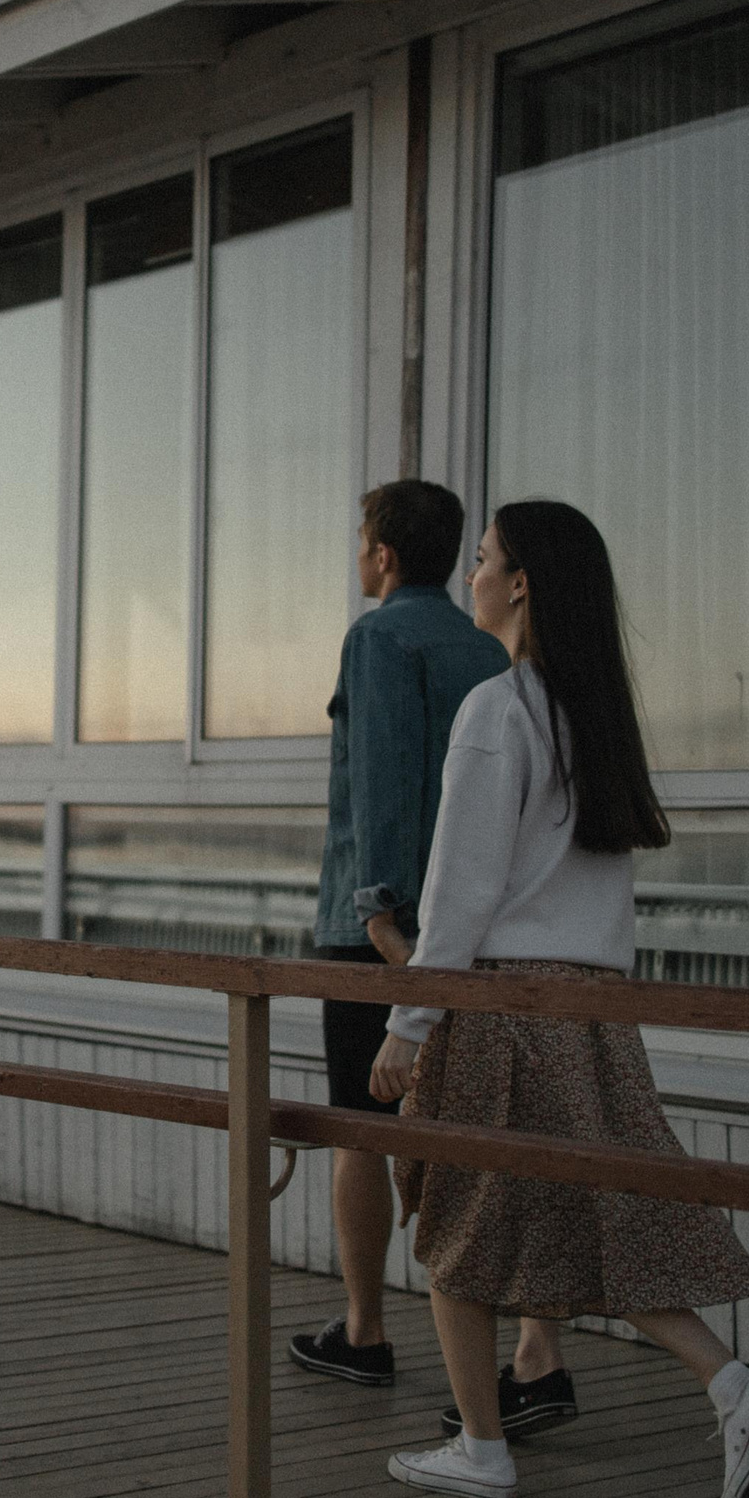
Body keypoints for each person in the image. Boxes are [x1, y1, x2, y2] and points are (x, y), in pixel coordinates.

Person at [366, 499, 749, 1498]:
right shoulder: (590, 714)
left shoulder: (497, 709)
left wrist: (409, 1023)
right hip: (591, 1010)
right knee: (595, 1213)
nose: (471, 576)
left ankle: (482, 1446)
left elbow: (459, 893)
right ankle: (729, 1386)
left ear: (519, 584)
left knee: (456, 1225)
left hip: (504, 1009)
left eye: (483, 561)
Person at [285, 480, 523, 1391]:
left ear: (383, 556)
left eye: (360, 543)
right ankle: (506, 1354)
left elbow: (380, 780)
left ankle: (365, 1330)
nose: (357, 557)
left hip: (379, 933)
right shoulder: (485, 646)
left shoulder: (378, 637)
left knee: (362, 1128)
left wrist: (379, 916)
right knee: (464, 1136)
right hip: (473, 928)